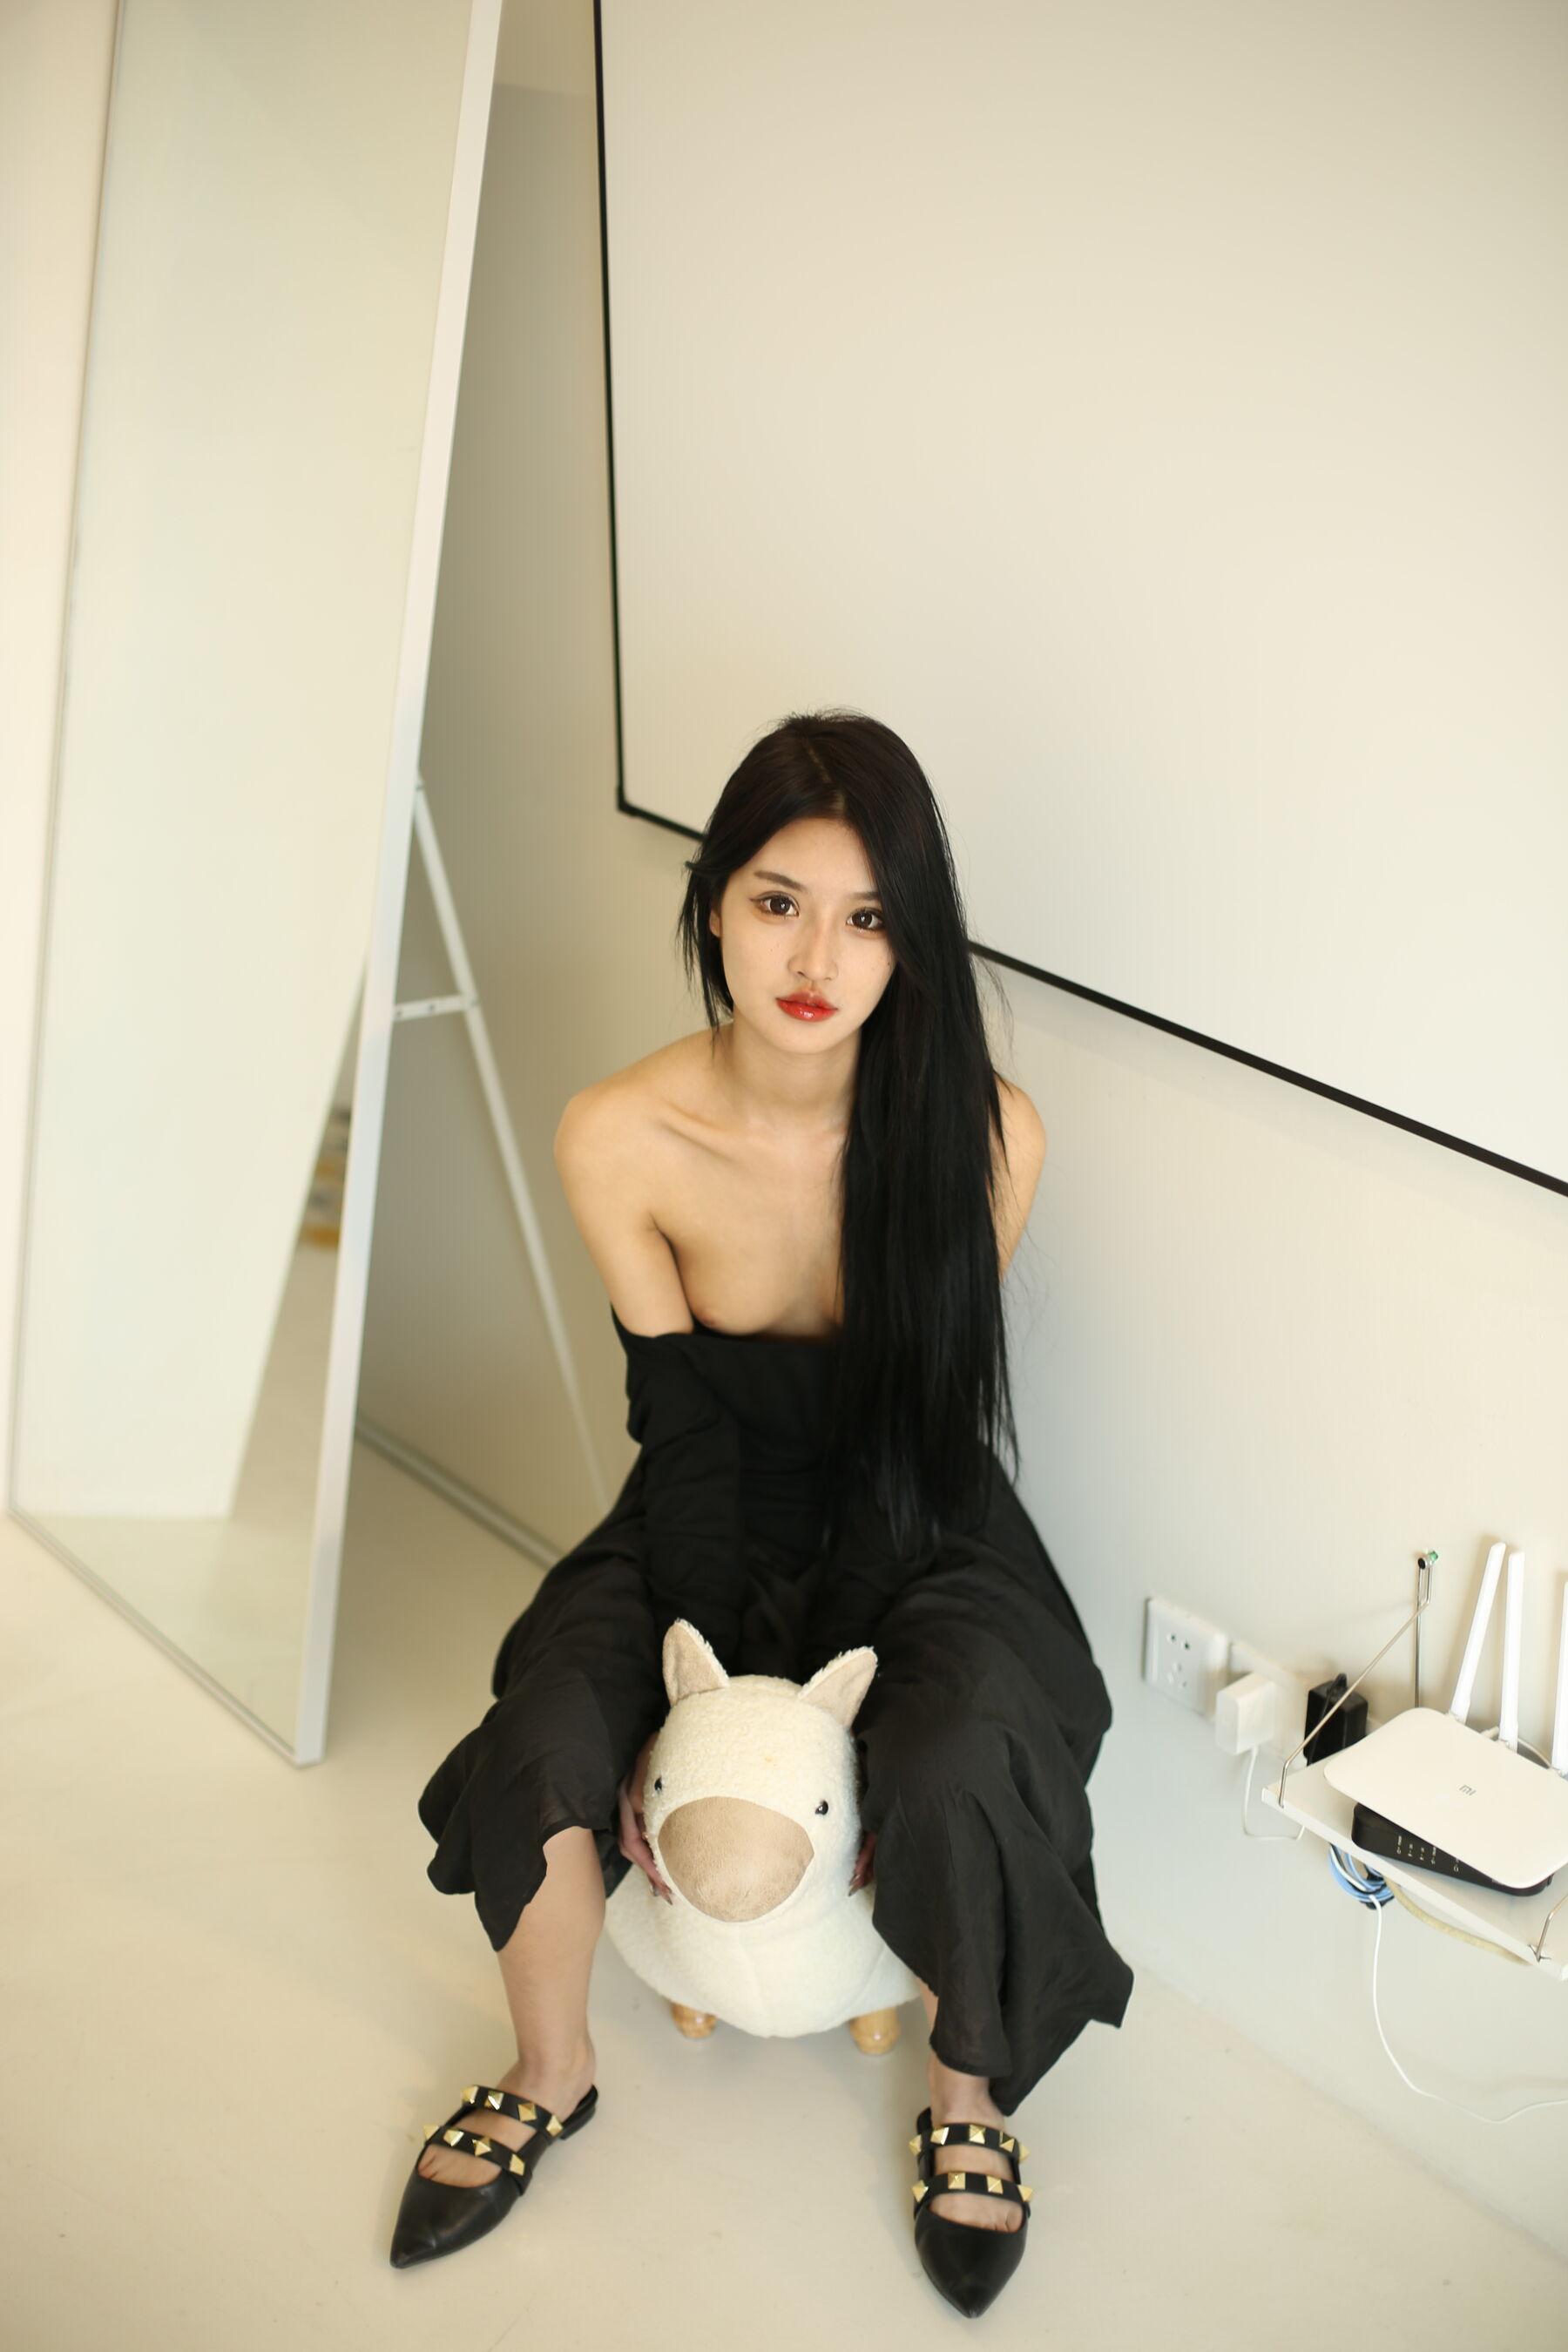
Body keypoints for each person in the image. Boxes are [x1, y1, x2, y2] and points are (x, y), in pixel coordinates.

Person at [391, 710, 1134, 2315]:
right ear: (712, 899)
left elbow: (917, 1434)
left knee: (953, 1757)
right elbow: (681, 1429)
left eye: (868, 919)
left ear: (912, 940)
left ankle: (966, 2095)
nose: (816, 959)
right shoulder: (619, 1133)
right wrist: (703, 1670)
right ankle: (548, 2068)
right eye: (779, 902)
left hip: (920, 1510)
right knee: (546, 1740)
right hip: (704, 1500)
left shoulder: (987, 1134)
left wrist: (829, 1690)